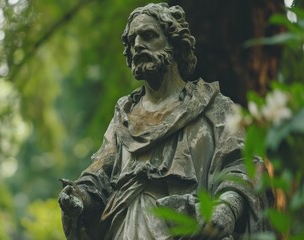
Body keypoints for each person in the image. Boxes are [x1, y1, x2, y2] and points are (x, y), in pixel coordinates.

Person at [58, 3, 271, 240]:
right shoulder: (124, 115)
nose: (137, 45)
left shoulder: (215, 108)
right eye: (131, 40)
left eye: (148, 35)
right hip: (124, 227)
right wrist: (79, 196)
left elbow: (245, 167)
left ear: (174, 43)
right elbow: (99, 175)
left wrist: (227, 209)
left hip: (190, 229)